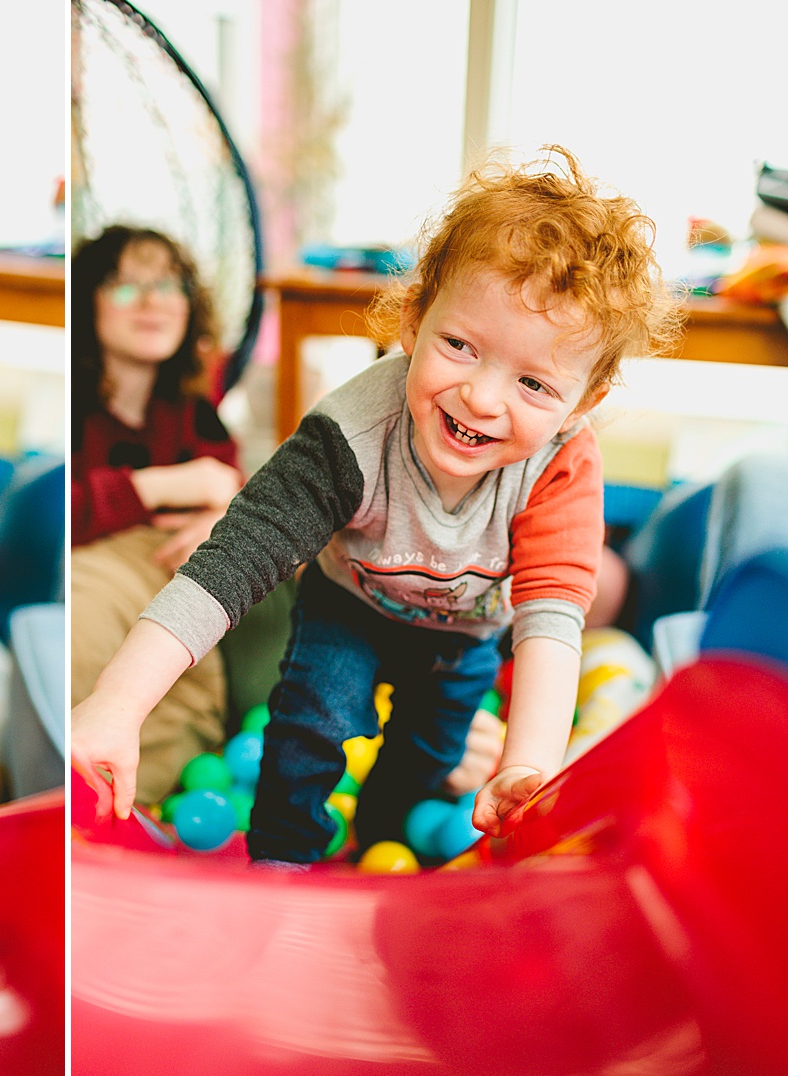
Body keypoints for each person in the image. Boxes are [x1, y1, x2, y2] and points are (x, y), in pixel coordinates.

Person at [73, 147, 681, 863]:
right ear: (412, 321)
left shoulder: (562, 465)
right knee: (310, 724)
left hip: (465, 638)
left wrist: (527, 764)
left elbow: (551, 615)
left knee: (425, 759)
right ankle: (280, 860)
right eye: (458, 345)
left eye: (535, 386)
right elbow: (228, 565)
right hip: (349, 606)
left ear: (585, 402)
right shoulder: (350, 434)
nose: (482, 399)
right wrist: (117, 706)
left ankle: (384, 844)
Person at [70, 225, 244, 806]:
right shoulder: (74, 404)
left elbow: (235, 488)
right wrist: (162, 486)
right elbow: (57, 510)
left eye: (167, 285)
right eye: (126, 286)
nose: (151, 302)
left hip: (166, 589)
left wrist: (219, 514)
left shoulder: (189, 408)